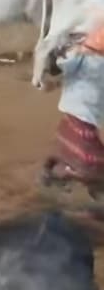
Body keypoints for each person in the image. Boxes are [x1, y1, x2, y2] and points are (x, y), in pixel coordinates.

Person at [42, 18, 104, 192]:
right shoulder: (81, 53)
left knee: (91, 161)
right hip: (79, 115)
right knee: (91, 162)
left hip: (84, 118)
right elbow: (61, 65)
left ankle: (62, 172)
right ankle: (61, 172)